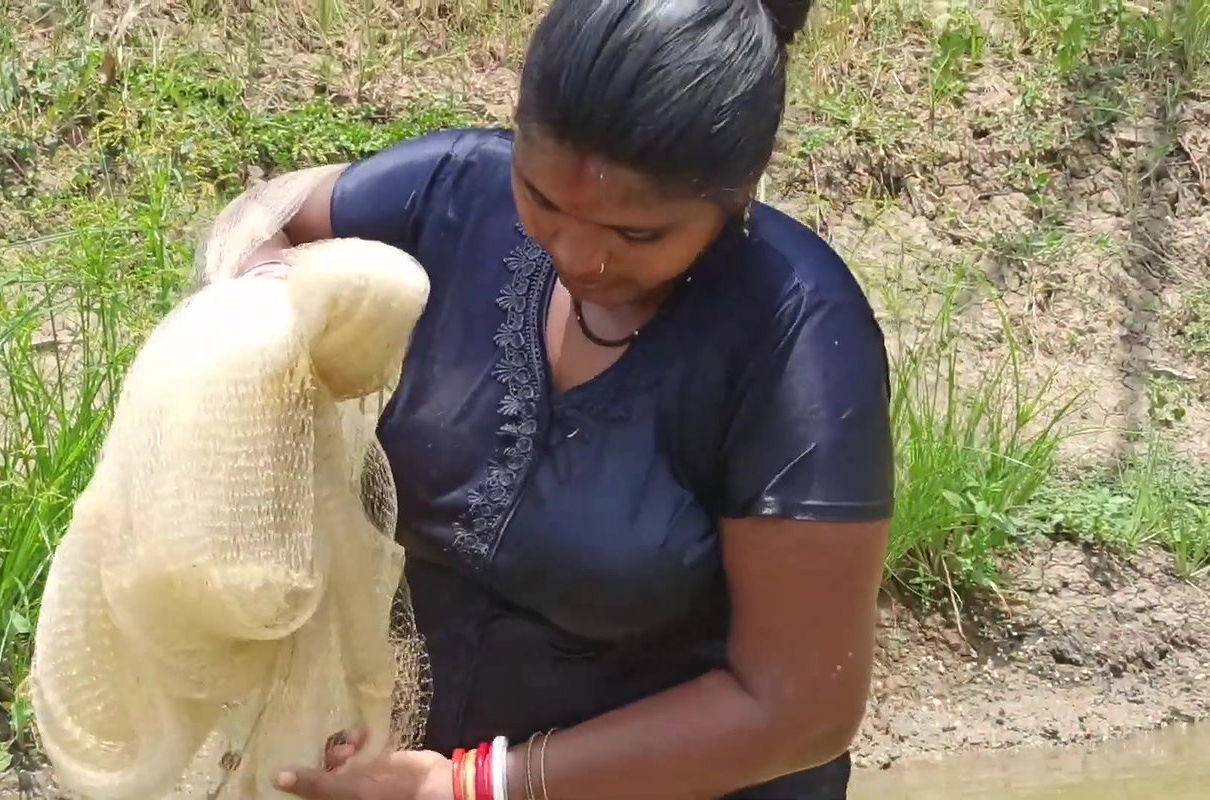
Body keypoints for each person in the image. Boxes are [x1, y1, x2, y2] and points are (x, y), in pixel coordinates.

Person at [206, 0, 894, 797]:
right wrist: (261, 310)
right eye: (542, 199)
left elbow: (800, 708)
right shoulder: (458, 197)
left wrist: (474, 787)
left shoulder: (794, 335)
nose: (577, 253)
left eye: (637, 236)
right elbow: (270, 216)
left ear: (738, 193)